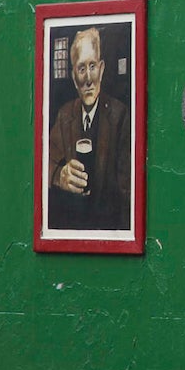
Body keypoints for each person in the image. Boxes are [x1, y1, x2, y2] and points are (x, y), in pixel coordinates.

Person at [47, 27, 130, 232]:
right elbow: (42, 163)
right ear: (74, 77)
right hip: (72, 227)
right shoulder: (65, 114)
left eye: (92, 66)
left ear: (102, 69)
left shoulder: (120, 115)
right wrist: (59, 176)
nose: (88, 79)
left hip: (109, 230)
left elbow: (128, 191)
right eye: (81, 68)